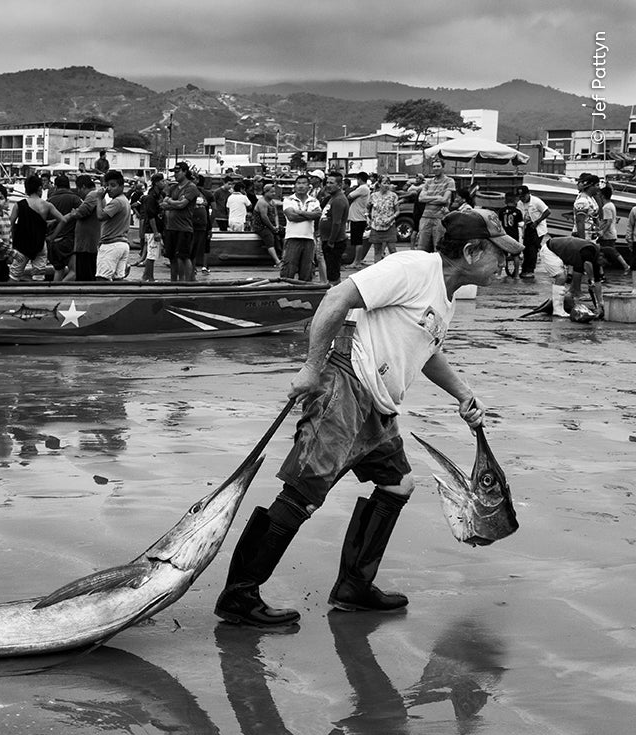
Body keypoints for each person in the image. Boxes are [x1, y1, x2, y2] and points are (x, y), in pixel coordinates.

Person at [214, 209, 522, 628]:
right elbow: (337, 298)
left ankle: (353, 587)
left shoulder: (445, 295)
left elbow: (426, 350)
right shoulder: (413, 268)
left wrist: (464, 394)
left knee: (398, 485)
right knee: (302, 493)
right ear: (470, 252)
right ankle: (239, 596)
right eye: (496, 254)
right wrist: (310, 366)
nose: (502, 263)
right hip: (345, 384)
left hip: (378, 404)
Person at [9, 174, 65, 281]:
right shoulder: (46, 205)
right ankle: (38, 296)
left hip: (22, 245)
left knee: (14, 275)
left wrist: (11, 244)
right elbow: (63, 220)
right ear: (39, 188)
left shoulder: (18, 205)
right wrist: (52, 237)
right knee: (38, 277)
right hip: (40, 244)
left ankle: (7, 296)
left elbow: (10, 224)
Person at [542, 235, 605, 320]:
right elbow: (587, 265)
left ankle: (562, 303)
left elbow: (597, 281)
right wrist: (591, 280)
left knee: (563, 277)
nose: (603, 266)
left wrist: (600, 304)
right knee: (561, 277)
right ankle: (557, 310)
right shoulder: (589, 251)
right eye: (604, 263)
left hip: (557, 250)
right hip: (550, 250)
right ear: (602, 256)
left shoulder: (595, 259)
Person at [56, 173, 103, 282]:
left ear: (83, 187)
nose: (78, 192)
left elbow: (80, 212)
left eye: (78, 189)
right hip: (86, 245)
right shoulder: (94, 195)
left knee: (85, 276)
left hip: (87, 245)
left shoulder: (92, 195)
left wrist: (74, 213)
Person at [159, 161, 197, 282]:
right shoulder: (173, 187)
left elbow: (182, 204)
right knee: (171, 257)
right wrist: (173, 202)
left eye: (177, 172)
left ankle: (185, 281)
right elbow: (163, 204)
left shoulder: (191, 187)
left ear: (185, 172)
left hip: (184, 227)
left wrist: (170, 202)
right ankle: (173, 281)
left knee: (183, 257)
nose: (175, 175)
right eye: (174, 172)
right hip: (170, 227)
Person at [281, 174, 321, 281]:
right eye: (298, 183)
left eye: (304, 183)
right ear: (295, 186)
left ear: (309, 186)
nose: (301, 186)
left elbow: (318, 215)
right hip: (292, 238)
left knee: (307, 270)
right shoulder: (288, 199)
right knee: (288, 269)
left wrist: (300, 212)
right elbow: (291, 216)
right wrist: (309, 215)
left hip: (309, 239)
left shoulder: (314, 201)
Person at [94, 170, 132, 281]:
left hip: (111, 244)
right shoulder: (124, 200)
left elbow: (100, 216)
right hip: (122, 244)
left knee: (102, 279)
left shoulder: (117, 202)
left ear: (121, 186)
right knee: (118, 280)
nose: (109, 189)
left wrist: (99, 198)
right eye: (107, 186)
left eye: (113, 185)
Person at [47, 174, 80, 281]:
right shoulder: (75, 199)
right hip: (68, 241)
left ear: (56, 187)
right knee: (75, 271)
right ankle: (60, 288)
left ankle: (53, 293)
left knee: (58, 271)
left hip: (53, 243)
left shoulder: (49, 201)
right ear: (69, 185)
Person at [416, 161, 455, 252]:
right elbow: (420, 199)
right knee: (422, 248)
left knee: (438, 248)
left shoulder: (449, 181)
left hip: (439, 218)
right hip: (425, 218)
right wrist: (437, 197)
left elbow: (444, 199)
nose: (436, 168)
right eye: (434, 166)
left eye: (438, 166)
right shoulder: (428, 182)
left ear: (443, 167)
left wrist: (428, 199)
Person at [318, 172, 350, 284]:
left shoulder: (339, 200)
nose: (328, 185)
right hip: (327, 239)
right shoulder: (331, 198)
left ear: (339, 185)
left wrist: (331, 241)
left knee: (333, 272)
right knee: (331, 270)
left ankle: (335, 291)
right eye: (327, 182)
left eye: (332, 183)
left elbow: (337, 222)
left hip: (335, 241)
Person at [515, 186, 550, 280]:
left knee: (532, 249)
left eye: (523, 196)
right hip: (528, 227)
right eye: (520, 197)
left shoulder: (536, 201)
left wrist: (537, 221)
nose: (522, 199)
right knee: (526, 249)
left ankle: (530, 270)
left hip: (538, 228)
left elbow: (547, 212)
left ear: (528, 194)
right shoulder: (520, 203)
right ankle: (524, 269)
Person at [596, 185, 630, 276]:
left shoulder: (606, 207)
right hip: (611, 233)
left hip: (608, 234)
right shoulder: (611, 205)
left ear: (602, 196)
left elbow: (609, 221)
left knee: (608, 252)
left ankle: (625, 265)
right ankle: (601, 272)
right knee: (604, 252)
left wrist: (602, 231)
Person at [364, 178, 399, 265]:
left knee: (392, 249)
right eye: (384, 183)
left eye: (388, 183)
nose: (386, 185)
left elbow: (397, 211)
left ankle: (396, 267)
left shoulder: (393, 196)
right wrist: (367, 218)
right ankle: (377, 268)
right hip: (376, 226)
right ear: (379, 184)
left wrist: (391, 218)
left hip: (389, 225)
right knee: (377, 250)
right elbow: (367, 208)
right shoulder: (373, 196)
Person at [139, 174, 165, 281]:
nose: (164, 183)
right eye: (162, 181)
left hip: (157, 228)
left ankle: (147, 276)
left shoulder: (160, 195)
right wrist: (155, 232)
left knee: (153, 254)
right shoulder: (150, 198)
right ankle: (149, 277)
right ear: (156, 183)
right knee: (152, 254)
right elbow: (151, 216)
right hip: (151, 229)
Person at [252, 183, 282, 267]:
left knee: (283, 233)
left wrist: (277, 225)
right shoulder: (262, 202)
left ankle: (283, 256)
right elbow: (264, 218)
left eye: (274, 192)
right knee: (269, 238)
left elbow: (276, 215)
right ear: (265, 192)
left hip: (271, 225)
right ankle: (277, 261)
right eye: (272, 192)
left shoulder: (272, 202)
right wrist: (272, 228)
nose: (274, 194)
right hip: (260, 226)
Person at [347, 172, 372, 267]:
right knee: (357, 240)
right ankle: (358, 260)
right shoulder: (366, 188)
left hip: (358, 217)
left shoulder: (362, 188)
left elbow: (349, 196)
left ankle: (356, 262)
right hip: (359, 216)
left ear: (360, 179)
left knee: (357, 241)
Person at [496, 193, 523, 278]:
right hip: (514, 235)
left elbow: (499, 224)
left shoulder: (501, 211)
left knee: (502, 254)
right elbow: (521, 224)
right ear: (515, 201)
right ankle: (516, 275)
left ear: (505, 201)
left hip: (504, 235)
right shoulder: (518, 212)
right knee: (516, 255)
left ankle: (499, 274)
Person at [572, 174, 601, 241]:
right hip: (584, 237)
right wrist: (582, 241)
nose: (599, 187)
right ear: (591, 186)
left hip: (591, 236)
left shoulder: (591, 198)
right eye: (597, 185)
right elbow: (580, 221)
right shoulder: (582, 201)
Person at [191, 175, 210, 274]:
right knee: (196, 245)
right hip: (195, 223)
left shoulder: (201, 194)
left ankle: (197, 267)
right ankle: (197, 267)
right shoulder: (191, 191)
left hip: (200, 223)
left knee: (197, 245)